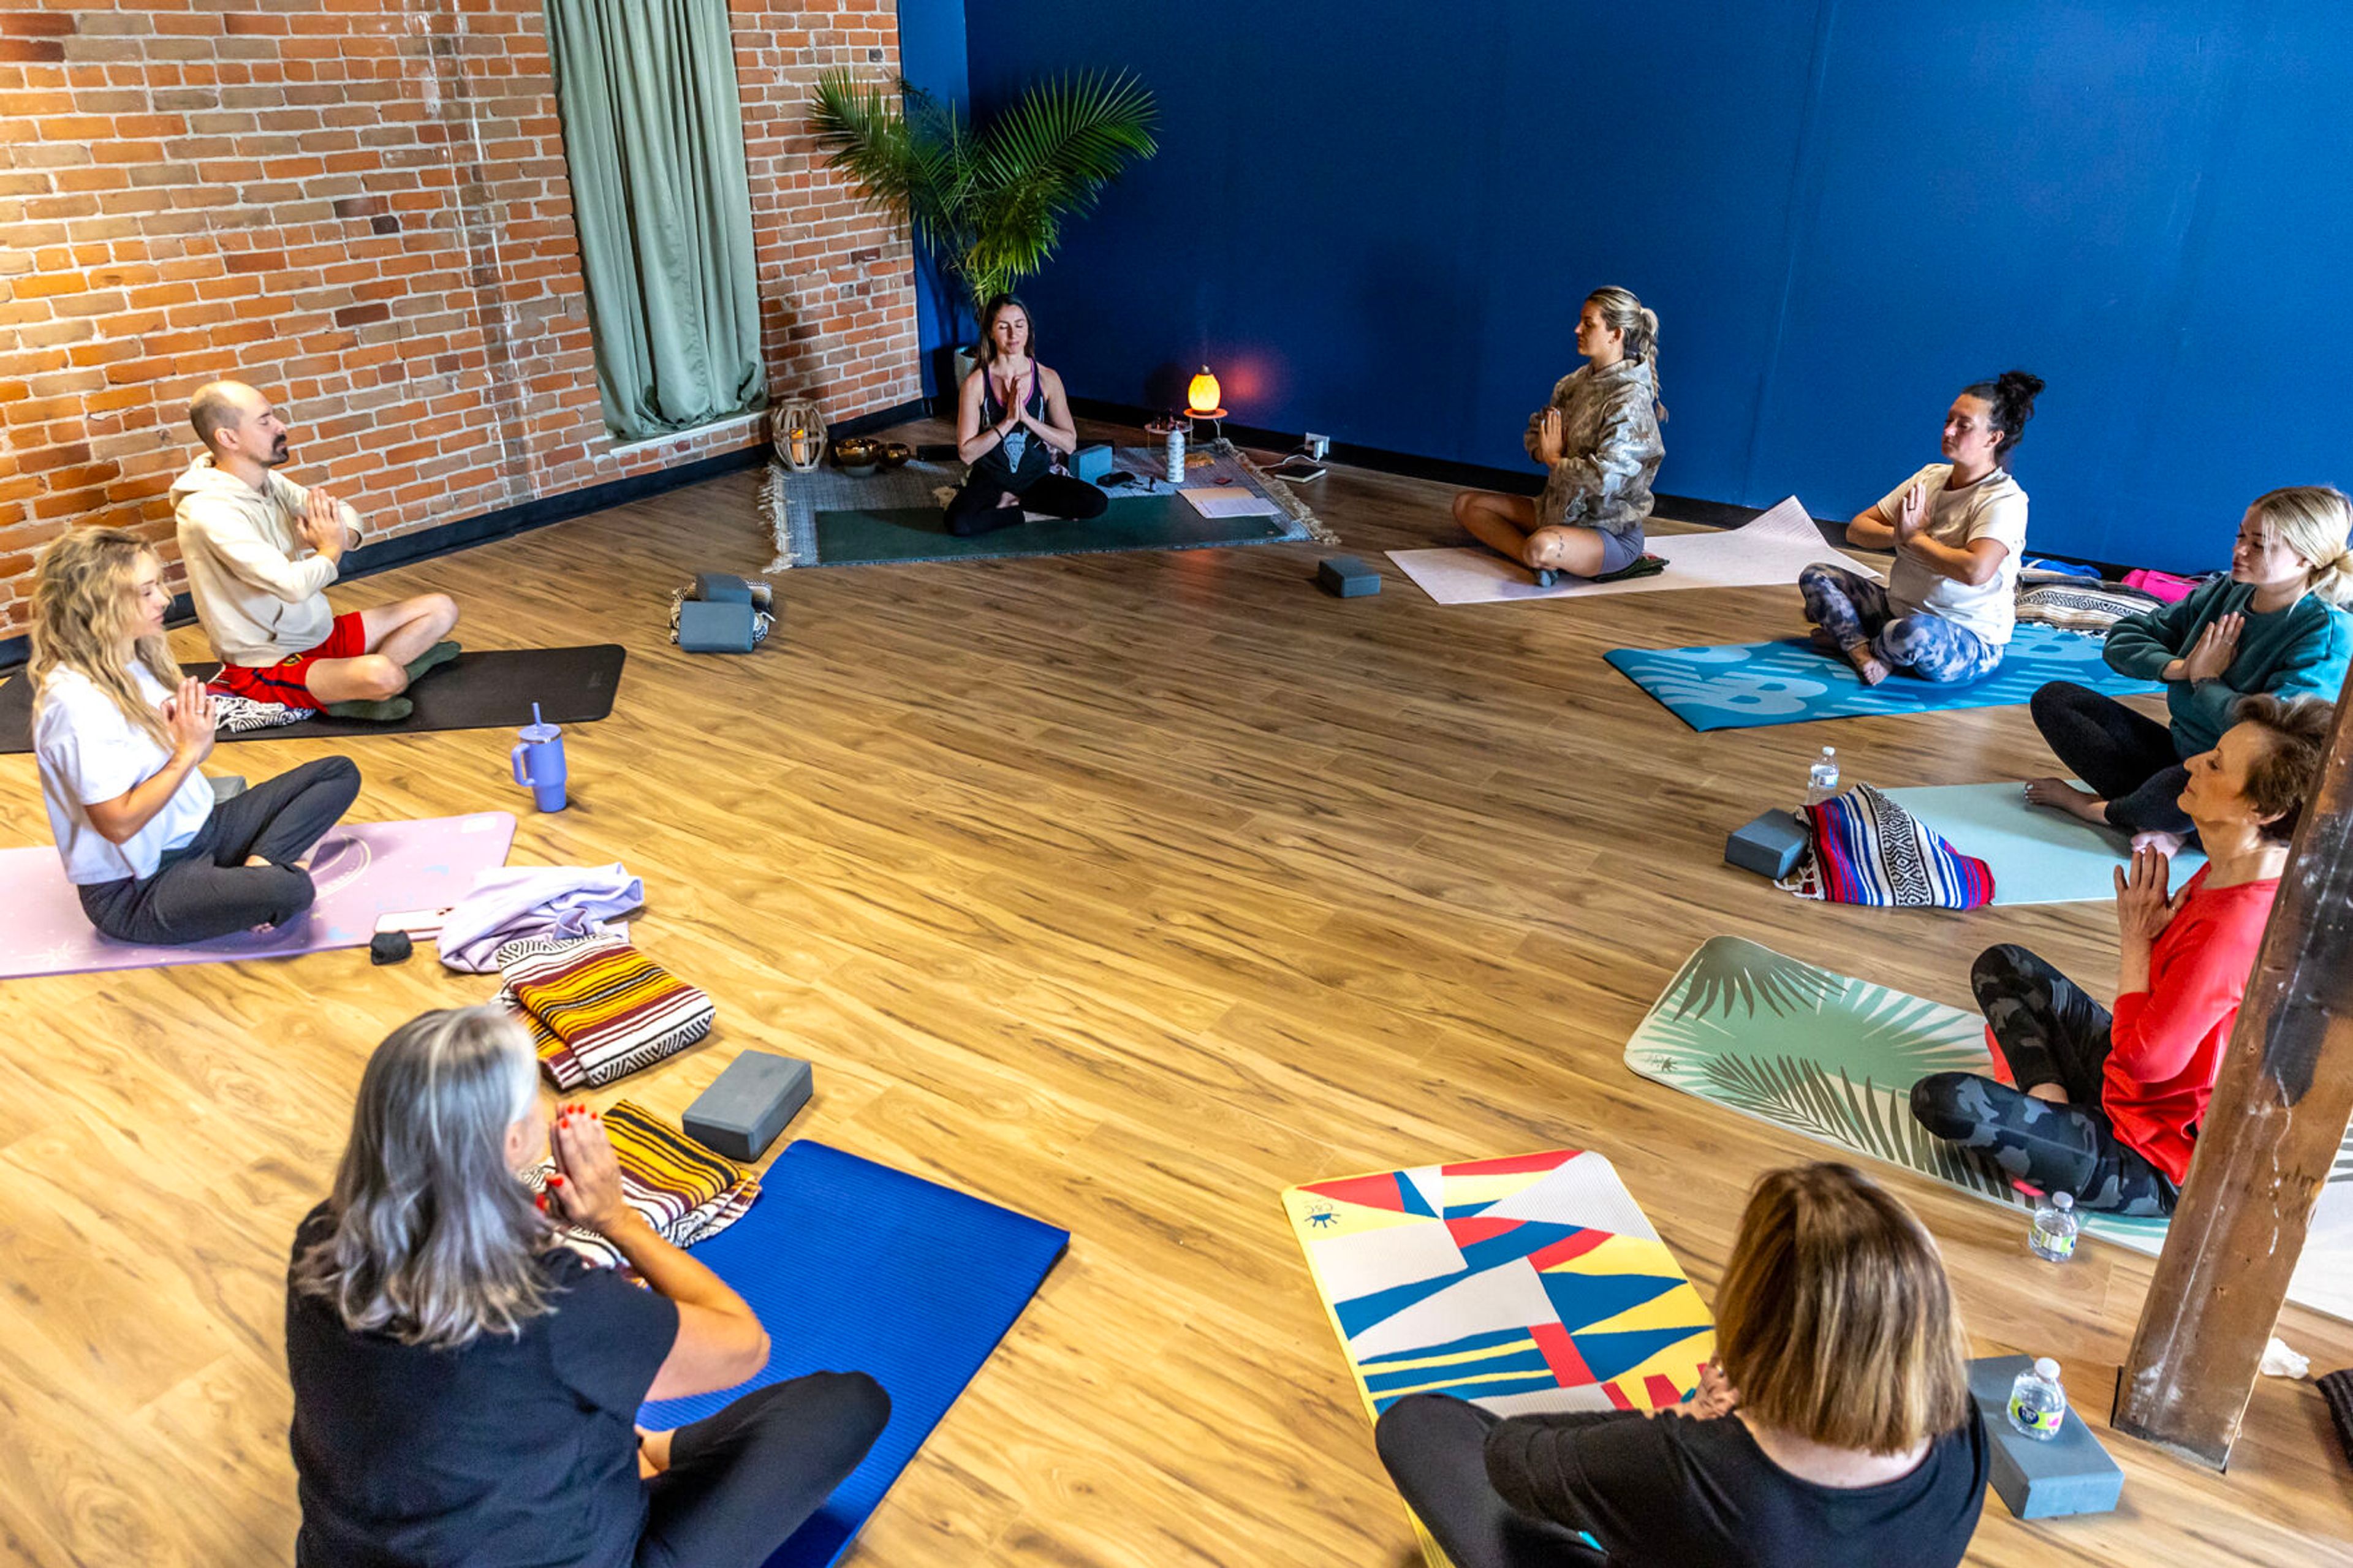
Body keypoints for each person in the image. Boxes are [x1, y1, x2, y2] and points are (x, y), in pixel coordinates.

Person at [286, 1007, 890, 1568]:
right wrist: (616, 1220)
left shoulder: (321, 1241)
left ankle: (647, 1446)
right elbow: (745, 1345)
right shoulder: (553, 1304)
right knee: (849, 1403)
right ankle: (649, 1449)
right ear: (515, 1141)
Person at [1374, 1163, 1985, 1568]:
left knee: (1418, 1425)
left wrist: (1679, 1419)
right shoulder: (1965, 1431)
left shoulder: (1692, 1468)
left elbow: (1511, 1456)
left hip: (1688, 1503)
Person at [1912, 695, 2331, 1214]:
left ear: (2263, 811)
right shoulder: (2235, 864)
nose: (2193, 763)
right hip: (2126, 1082)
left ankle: (2054, 1130)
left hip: (2158, 1158)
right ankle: (2052, 1106)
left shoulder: (2239, 927)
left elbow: (2146, 1061)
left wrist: (2136, 941)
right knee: (2004, 963)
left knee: (1943, 1100)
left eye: (2216, 763)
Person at [27, 526, 362, 945]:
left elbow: (191, 751)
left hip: (203, 831)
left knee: (338, 772)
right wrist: (187, 752)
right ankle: (267, 880)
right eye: (147, 591)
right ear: (101, 603)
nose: (164, 599)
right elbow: (117, 825)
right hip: (140, 888)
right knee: (294, 891)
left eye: (159, 585)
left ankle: (256, 869)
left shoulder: (136, 659)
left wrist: (193, 739)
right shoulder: (74, 704)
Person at [2026, 485, 2353, 856]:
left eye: (2260, 545)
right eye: (2240, 536)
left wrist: (2208, 681)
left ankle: (2100, 811)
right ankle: (2179, 823)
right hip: (2187, 757)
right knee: (2057, 700)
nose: (2239, 550)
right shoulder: (2226, 591)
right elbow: (2125, 637)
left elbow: (2274, 744)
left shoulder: (2327, 633)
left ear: (2306, 559)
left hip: (2242, 784)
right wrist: (2181, 668)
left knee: (2179, 786)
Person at [172, 379, 461, 721]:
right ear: (228, 438)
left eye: (274, 417)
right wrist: (330, 548)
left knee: (441, 609)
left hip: (320, 635)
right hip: (268, 661)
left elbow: (343, 515)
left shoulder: (268, 482)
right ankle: (373, 683)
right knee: (385, 675)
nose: (281, 427)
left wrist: (342, 537)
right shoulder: (210, 512)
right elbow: (292, 586)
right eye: (265, 421)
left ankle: (352, 684)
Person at [1798, 371, 2044, 685]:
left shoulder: (2005, 499)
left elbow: (1975, 570)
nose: (1949, 431)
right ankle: (1863, 652)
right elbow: (1857, 529)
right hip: (1896, 611)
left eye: (1963, 426)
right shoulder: (1930, 477)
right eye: (1948, 421)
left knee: (1914, 633)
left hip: (1966, 639)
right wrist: (1897, 535)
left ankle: (1854, 640)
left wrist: (1915, 539)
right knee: (1817, 576)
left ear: (1993, 438)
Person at [1451, 286, 1665, 586]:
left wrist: (1555, 459)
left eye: (1588, 324)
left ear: (1615, 335)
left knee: (1542, 546)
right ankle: (1532, 560)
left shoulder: (1630, 399)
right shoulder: (1571, 384)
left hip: (1608, 531)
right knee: (1467, 505)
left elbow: (1608, 479)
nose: (1577, 329)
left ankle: (1539, 555)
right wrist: (1543, 450)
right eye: (1580, 320)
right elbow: (1534, 433)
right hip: (1556, 513)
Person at [945, 294, 1105, 537]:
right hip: (991, 480)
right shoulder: (976, 383)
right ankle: (1029, 514)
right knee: (958, 523)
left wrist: (1028, 420)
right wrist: (1008, 421)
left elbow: (1069, 444)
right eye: (1003, 327)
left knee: (1095, 502)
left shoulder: (1048, 378)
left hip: (1036, 479)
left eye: (1020, 325)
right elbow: (967, 454)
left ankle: (1012, 505)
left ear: (1029, 329)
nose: (1013, 335)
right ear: (990, 331)